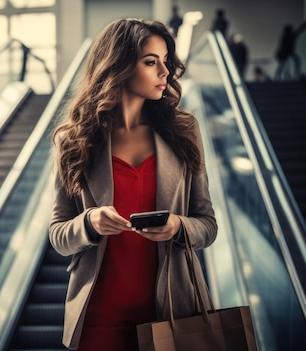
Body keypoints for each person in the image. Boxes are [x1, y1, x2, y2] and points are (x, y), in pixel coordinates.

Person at [49, 18, 217, 350]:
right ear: (119, 66)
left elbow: (207, 225)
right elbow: (57, 234)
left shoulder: (183, 130)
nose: (164, 72)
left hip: (172, 313)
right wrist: (90, 221)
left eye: (166, 61)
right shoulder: (75, 139)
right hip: (98, 317)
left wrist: (178, 226)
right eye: (151, 62)